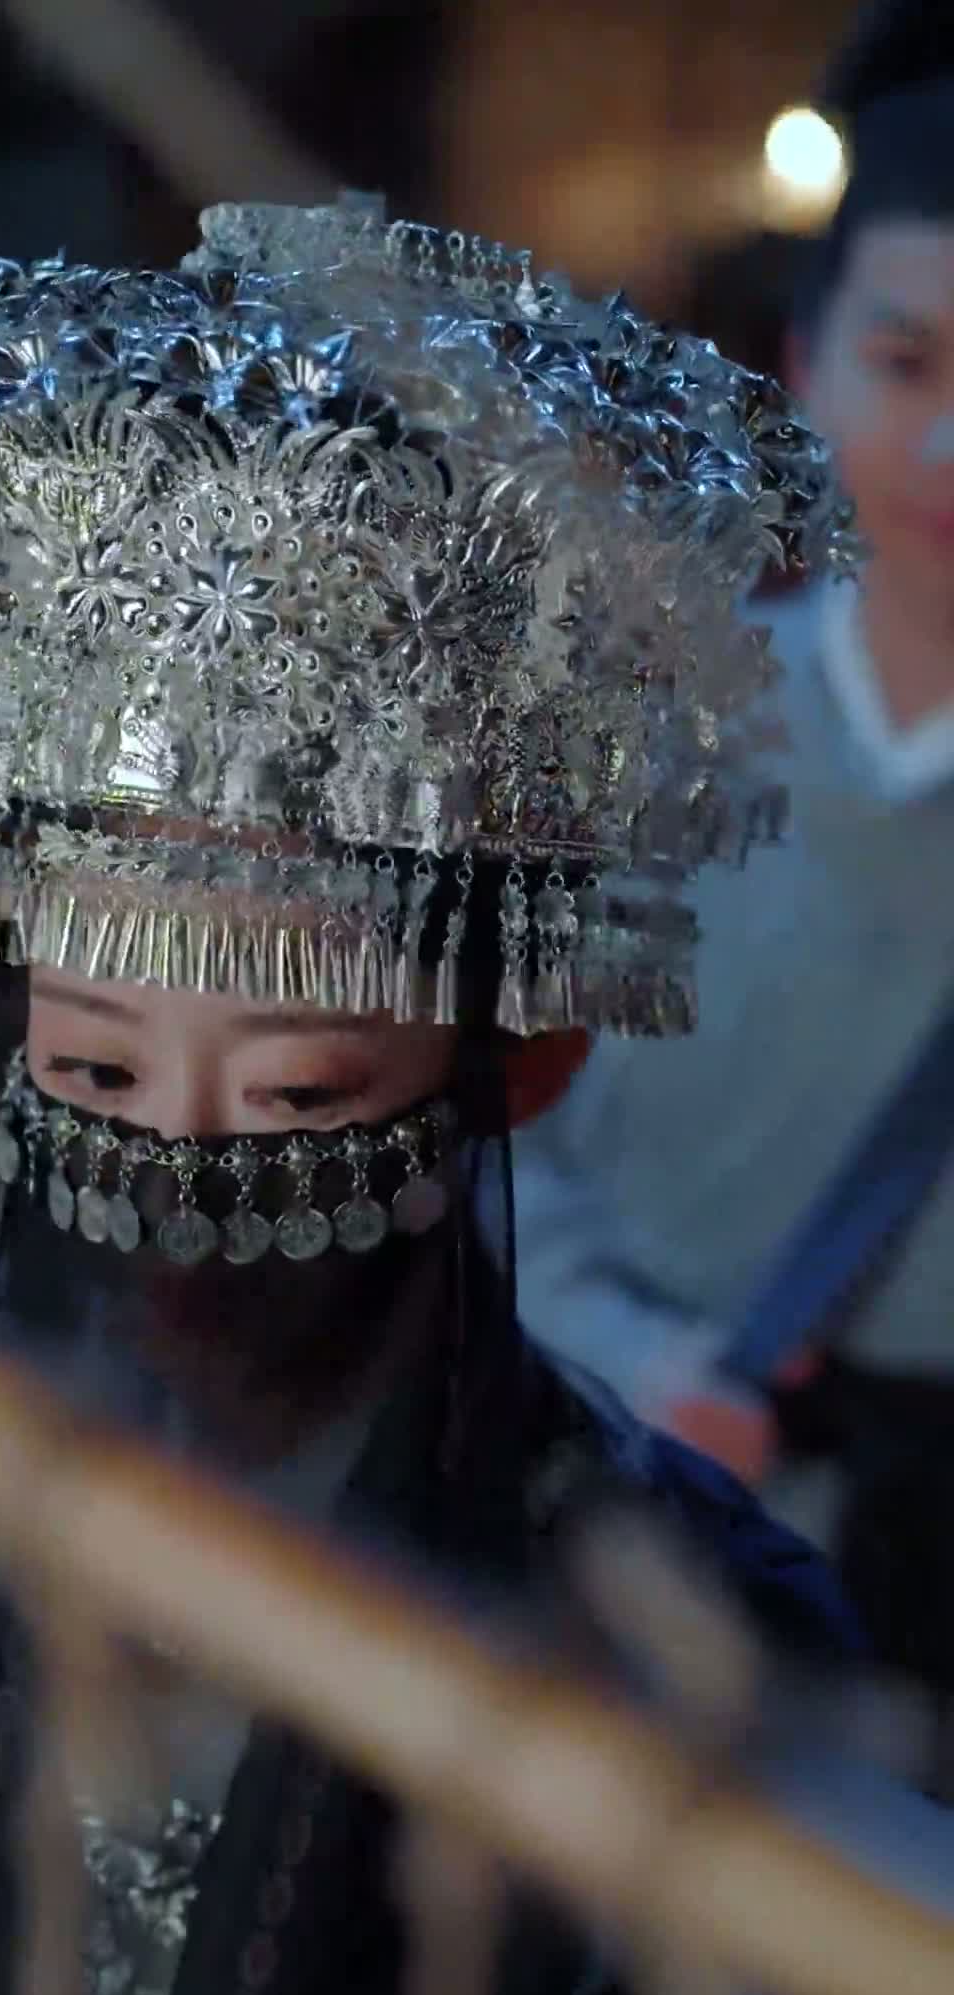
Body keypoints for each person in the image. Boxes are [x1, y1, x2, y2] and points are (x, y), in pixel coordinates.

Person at [0, 197, 857, 1995]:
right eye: (98, 1072)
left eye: (303, 1102)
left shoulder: (683, 1645)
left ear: (513, 1063)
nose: (181, 1178)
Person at [510, 38, 954, 1700]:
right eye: (907, 365)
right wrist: (633, 1358)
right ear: (807, 373)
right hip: (621, 1559)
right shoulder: (653, 733)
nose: (951, 447)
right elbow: (475, 1146)